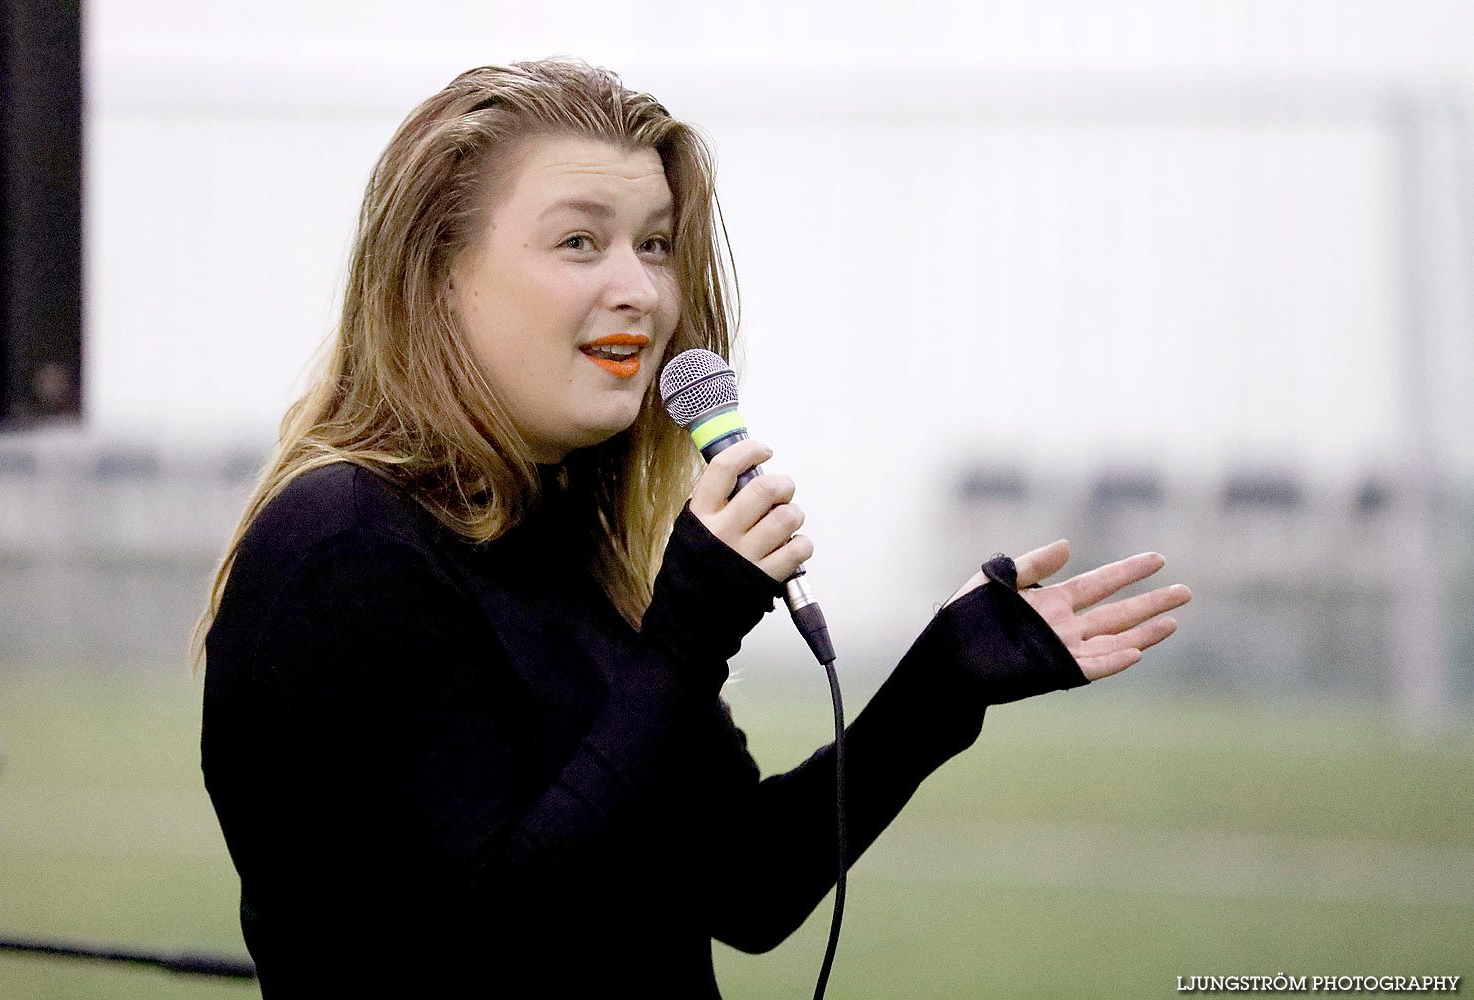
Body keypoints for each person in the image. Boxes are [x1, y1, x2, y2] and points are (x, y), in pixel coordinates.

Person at [196, 58, 1190, 997]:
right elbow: (490, 941)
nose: (641, 288)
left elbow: (745, 885)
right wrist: (686, 635)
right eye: (580, 240)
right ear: (437, 273)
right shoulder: (345, 545)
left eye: (656, 243)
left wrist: (937, 687)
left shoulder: (565, 543)